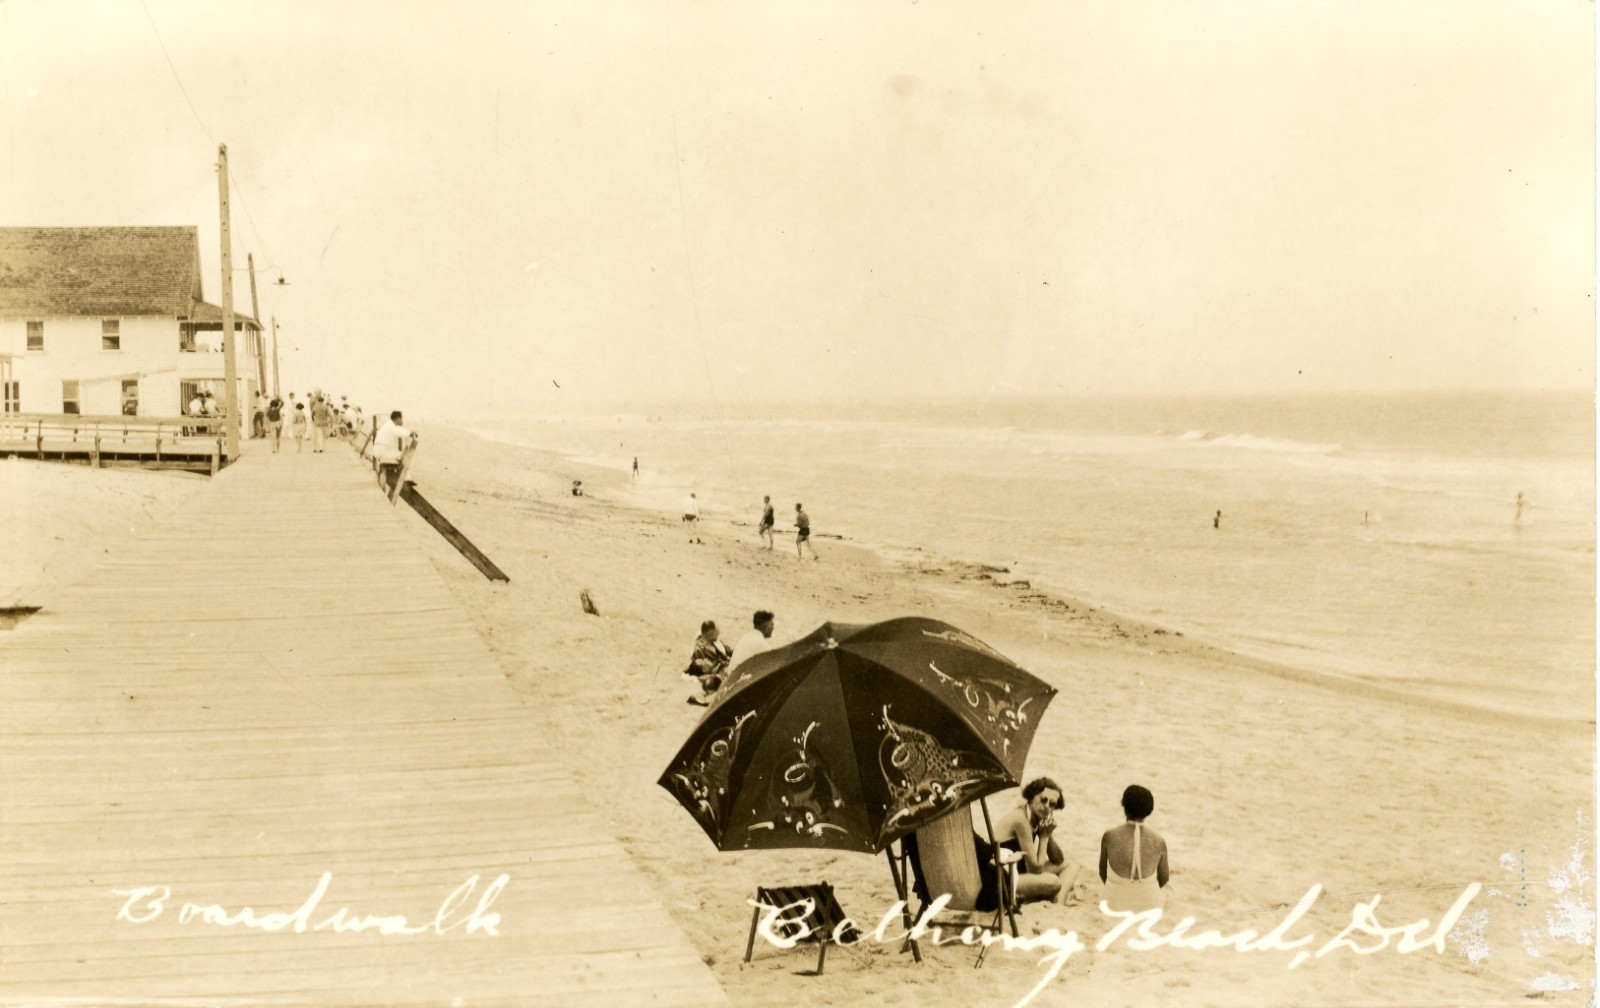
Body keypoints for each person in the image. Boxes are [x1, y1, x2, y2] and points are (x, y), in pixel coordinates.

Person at [993, 777, 1085, 905]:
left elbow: (1058, 859)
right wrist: (1044, 836)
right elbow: (1035, 869)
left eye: (1052, 804)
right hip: (1003, 878)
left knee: (1072, 864)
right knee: (1054, 882)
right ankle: (1056, 901)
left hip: (1019, 872)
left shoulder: (1035, 817)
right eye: (1043, 800)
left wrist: (1047, 832)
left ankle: (1058, 900)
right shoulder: (1020, 819)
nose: (1046, 806)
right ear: (1032, 797)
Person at [1098, 784, 1169, 914]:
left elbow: (1103, 872)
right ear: (1149, 810)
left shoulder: (1110, 835)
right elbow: (1164, 878)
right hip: (1151, 907)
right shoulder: (1159, 841)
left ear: (1124, 807)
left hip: (1113, 905)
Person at [685, 619, 731, 706]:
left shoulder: (715, 643)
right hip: (714, 674)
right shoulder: (701, 647)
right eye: (715, 632)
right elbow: (704, 666)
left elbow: (729, 651)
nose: (718, 633)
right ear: (709, 633)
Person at [372, 410, 415, 490]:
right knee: (403, 456)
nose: (402, 421)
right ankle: (407, 478)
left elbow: (399, 430)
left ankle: (407, 477)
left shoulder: (389, 424)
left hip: (380, 449)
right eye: (401, 419)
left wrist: (408, 432)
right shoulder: (391, 426)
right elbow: (400, 432)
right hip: (382, 450)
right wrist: (410, 432)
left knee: (400, 455)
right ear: (397, 418)